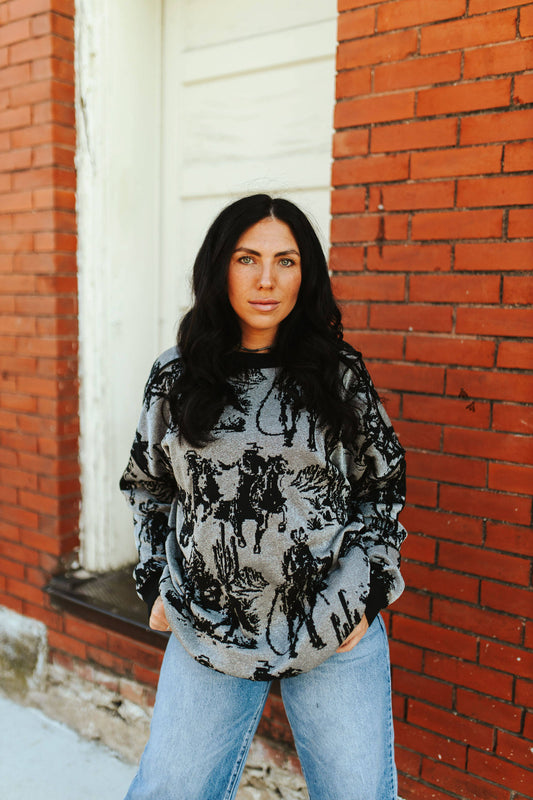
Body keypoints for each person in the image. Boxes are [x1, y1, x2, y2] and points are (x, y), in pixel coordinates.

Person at [120, 194, 407, 800]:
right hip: (209, 621)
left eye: (286, 261)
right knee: (170, 790)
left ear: (307, 274)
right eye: (247, 259)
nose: (267, 280)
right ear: (219, 266)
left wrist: (365, 593)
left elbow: (383, 487)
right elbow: (148, 484)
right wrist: (156, 581)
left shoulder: (339, 373)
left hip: (331, 618)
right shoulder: (177, 375)